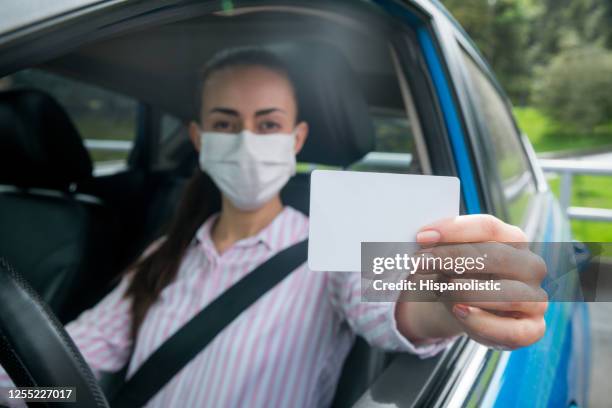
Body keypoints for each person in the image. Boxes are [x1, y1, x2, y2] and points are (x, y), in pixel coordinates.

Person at [0, 47, 547, 407]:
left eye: (268, 124)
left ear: (297, 139)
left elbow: (396, 306)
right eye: (224, 123)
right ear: (198, 139)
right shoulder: (163, 256)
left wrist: (456, 296)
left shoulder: (331, 248)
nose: (246, 141)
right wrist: (28, 396)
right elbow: (64, 367)